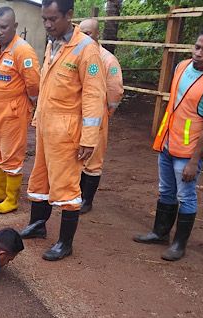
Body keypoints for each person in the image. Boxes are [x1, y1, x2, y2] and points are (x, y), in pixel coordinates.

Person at [134, 25, 203, 261]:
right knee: (166, 190)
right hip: (168, 143)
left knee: (185, 196)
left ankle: (179, 244)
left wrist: (194, 161)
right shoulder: (182, 66)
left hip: (189, 152)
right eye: (197, 47)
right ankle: (160, 233)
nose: (198, 53)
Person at [21, 0, 105, 261]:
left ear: (69, 15)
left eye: (53, 19)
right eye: (44, 19)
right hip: (47, 128)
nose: (47, 24)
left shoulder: (86, 49)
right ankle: (38, 225)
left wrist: (89, 137)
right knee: (41, 178)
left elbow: (93, 96)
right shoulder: (53, 43)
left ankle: (65, 243)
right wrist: (38, 118)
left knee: (67, 187)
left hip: (67, 132)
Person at [0, 7, 40, 214]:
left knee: (11, 155)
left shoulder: (23, 51)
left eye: (3, 27)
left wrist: (26, 105)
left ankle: (11, 199)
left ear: (15, 26)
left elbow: (33, 85)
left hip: (13, 113)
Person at [78, 18, 124, 214]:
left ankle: (87, 200)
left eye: (88, 33)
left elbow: (115, 90)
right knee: (77, 156)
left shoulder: (107, 59)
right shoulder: (77, 54)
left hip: (97, 116)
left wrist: (106, 112)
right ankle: (75, 195)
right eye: (81, 32)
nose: (84, 36)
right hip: (77, 114)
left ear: (97, 34)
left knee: (94, 159)